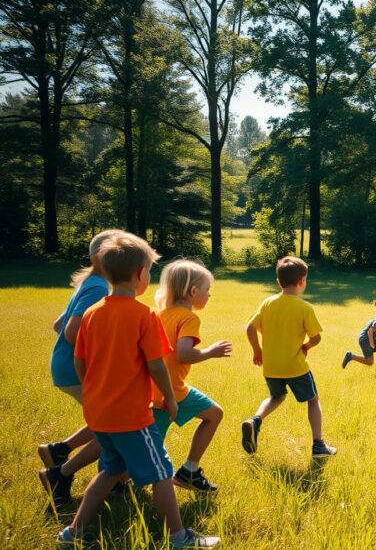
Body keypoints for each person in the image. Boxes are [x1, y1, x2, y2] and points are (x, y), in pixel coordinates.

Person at [57, 232, 219, 548]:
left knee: (110, 470)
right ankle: (179, 537)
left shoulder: (92, 313)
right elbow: (158, 366)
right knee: (161, 472)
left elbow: (80, 361)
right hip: (131, 415)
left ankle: (71, 534)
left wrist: (93, 390)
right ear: (141, 275)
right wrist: (170, 398)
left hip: (99, 411)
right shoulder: (143, 315)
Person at [39, 229, 121, 506]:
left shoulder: (89, 283)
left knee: (107, 423)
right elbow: (73, 331)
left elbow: (57, 325)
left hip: (65, 368)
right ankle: (61, 473)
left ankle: (59, 451)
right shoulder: (98, 287)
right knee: (117, 429)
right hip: (77, 371)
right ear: (100, 258)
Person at [241, 257, 335, 459]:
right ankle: (318, 445)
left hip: (272, 366)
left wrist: (257, 351)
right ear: (302, 281)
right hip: (296, 366)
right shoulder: (304, 307)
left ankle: (255, 420)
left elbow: (249, 328)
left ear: (278, 282)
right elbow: (316, 337)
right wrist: (306, 346)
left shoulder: (267, 303)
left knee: (277, 397)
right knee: (313, 400)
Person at [152, 259, 232, 492]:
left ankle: (190, 471)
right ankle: (188, 471)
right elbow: (184, 354)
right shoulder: (189, 318)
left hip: (158, 388)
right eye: (208, 290)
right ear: (193, 291)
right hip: (170, 393)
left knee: (214, 413)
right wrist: (210, 352)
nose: (209, 295)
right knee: (149, 452)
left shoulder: (160, 314)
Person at [343, 299, 376, 377]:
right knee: (369, 362)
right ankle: (350, 356)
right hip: (365, 339)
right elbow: (370, 331)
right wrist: (371, 343)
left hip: (370, 338)